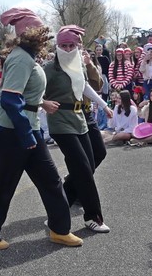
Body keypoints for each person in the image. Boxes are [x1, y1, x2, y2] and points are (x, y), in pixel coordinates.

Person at [0, 8, 83, 250]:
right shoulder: (21, 58)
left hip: (27, 128)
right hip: (12, 132)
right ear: (31, 34)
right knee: (5, 185)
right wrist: (26, 135)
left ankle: (60, 230)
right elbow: (10, 99)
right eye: (42, 33)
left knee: (51, 181)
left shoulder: (26, 57)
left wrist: (40, 105)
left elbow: (23, 94)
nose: (45, 38)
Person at [42, 25, 113, 233]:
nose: (67, 49)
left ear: (77, 46)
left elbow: (84, 86)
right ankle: (93, 217)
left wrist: (104, 105)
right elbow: (32, 90)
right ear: (57, 46)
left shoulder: (79, 64)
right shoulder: (49, 68)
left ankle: (58, 210)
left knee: (89, 163)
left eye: (71, 45)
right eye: (63, 45)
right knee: (82, 167)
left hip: (80, 118)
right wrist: (42, 103)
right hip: (60, 121)